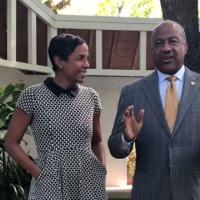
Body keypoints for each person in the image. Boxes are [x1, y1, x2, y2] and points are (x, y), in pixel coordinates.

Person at [4, 33, 107, 200]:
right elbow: (11, 143)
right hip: (49, 185)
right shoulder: (32, 95)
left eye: (87, 58)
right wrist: (39, 174)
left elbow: (97, 141)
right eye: (80, 58)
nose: (87, 64)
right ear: (59, 61)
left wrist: (101, 170)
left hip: (89, 183)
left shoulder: (91, 97)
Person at [108, 20, 200, 200]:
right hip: (148, 193)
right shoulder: (132, 92)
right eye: (159, 43)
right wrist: (127, 138)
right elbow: (115, 148)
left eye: (173, 41)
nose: (166, 48)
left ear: (185, 47)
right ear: (152, 50)